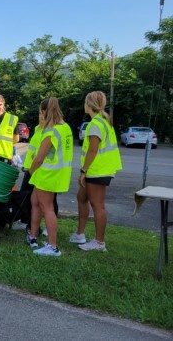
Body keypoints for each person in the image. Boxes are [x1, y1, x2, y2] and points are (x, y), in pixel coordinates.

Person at [70, 91, 122, 252]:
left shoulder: (96, 124)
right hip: (98, 169)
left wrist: (83, 171)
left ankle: (99, 242)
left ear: (89, 104)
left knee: (97, 205)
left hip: (98, 170)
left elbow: (92, 151)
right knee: (81, 197)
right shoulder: (102, 121)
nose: (84, 105)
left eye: (85, 102)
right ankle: (80, 233)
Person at [27, 97, 73, 257]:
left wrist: (31, 171)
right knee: (37, 203)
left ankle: (52, 246)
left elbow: (39, 158)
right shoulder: (65, 127)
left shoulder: (50, 130)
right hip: (58, 173)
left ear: (45, 111)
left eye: (41, 112)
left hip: (47, 174)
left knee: (47, 208)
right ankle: (33, 235)